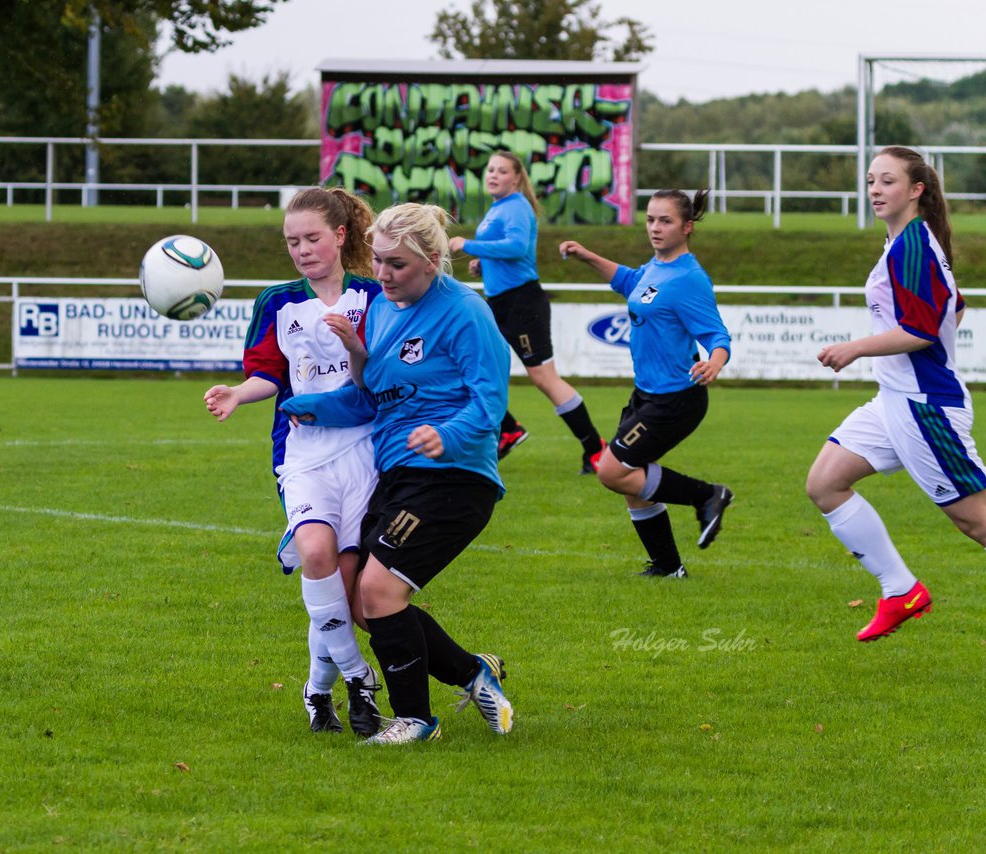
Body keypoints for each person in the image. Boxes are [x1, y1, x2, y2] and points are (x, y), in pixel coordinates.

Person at [281, 202, 515, 745]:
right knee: (366, 606)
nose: (382, 274)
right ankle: (471, 672)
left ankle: (415, 719)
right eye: (379, 261)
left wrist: (446, 435)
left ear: (433, 260)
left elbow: (490, 403)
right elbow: (372, 395)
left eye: (397, 264)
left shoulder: (465, 313)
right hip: (396, 476)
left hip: (452, 477)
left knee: (379, 591)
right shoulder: (383, 309)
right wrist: (313, 403)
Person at [203, 186, 383, 736]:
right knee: (315, 553)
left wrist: (356, 345)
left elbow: (376, 379)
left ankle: (317, 691)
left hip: (363, 450)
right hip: (301, 452)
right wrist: (238, 393)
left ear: (341, 235)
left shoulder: (375, 295)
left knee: (345, 588)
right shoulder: (277, 301)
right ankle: (358, 679)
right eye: (291, 241)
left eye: (311, 238)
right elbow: (268, 374)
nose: (301, 249)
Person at [806, 146, 986, 642]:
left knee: (982, 525)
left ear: (916, 190)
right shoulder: (905, 241)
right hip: (896, 398)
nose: (875, 189)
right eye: (871, 180)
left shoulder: (913, 245)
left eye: (887, 181)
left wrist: (856, 348)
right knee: (826, 483)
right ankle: (901, 591)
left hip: (924, 406)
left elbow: (922, 329)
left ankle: (901, 591)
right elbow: (954, 307)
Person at [559, 189, 734, 579]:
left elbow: (718, 335)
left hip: (676, 400)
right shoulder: (656, 267)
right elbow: (629, 280)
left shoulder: (689, 278)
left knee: (611, 470)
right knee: (631, 481)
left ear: (687, 227)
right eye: (651, 219)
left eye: (665, 221)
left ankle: (707, 495)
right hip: (646, 395)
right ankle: (669, 567)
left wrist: (715, 363)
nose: (655, 227)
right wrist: (588, 256)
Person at [449, 151, 605, 470]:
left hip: (522, 303)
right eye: (490, 169)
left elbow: (517, 247)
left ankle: (595, 448)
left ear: (517, 177)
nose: (493, 175)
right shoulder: (498, 208)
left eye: (501, 171)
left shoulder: (516, 206)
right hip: (500, 303)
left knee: (545, 379)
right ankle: (508, 430)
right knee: (469, 362)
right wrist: (484, 265)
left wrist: (469, 246)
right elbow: (507, 251)